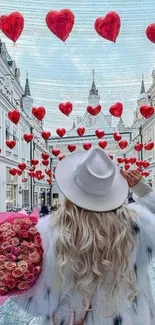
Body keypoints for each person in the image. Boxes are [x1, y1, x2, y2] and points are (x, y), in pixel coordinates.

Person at [0, 148, 155, 325]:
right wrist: (144, 192)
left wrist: (13, 276)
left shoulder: (51, 231)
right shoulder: (141, 224)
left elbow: (39, 304)